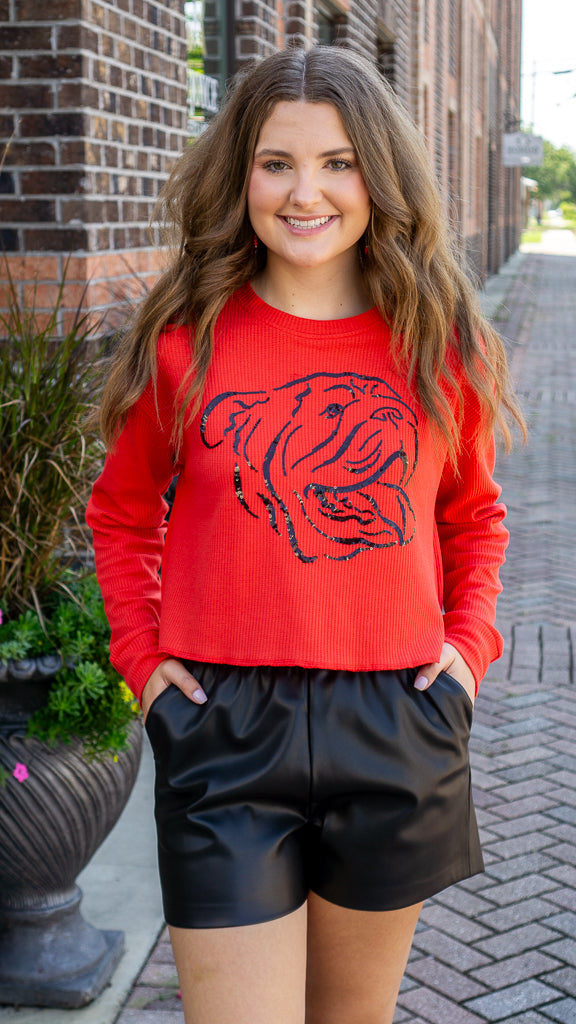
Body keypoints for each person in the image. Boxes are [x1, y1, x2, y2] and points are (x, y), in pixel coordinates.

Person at [87, 45, 525, 1024]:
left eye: (337, 163)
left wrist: (466, 652)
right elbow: (121, 514)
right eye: (276, 163)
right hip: (224, 729)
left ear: (380, 178)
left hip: (395, 720)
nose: (304, 192)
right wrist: (143, 663)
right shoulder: (185, 342)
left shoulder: (437, 342)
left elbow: (474, 518)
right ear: (239, 174)